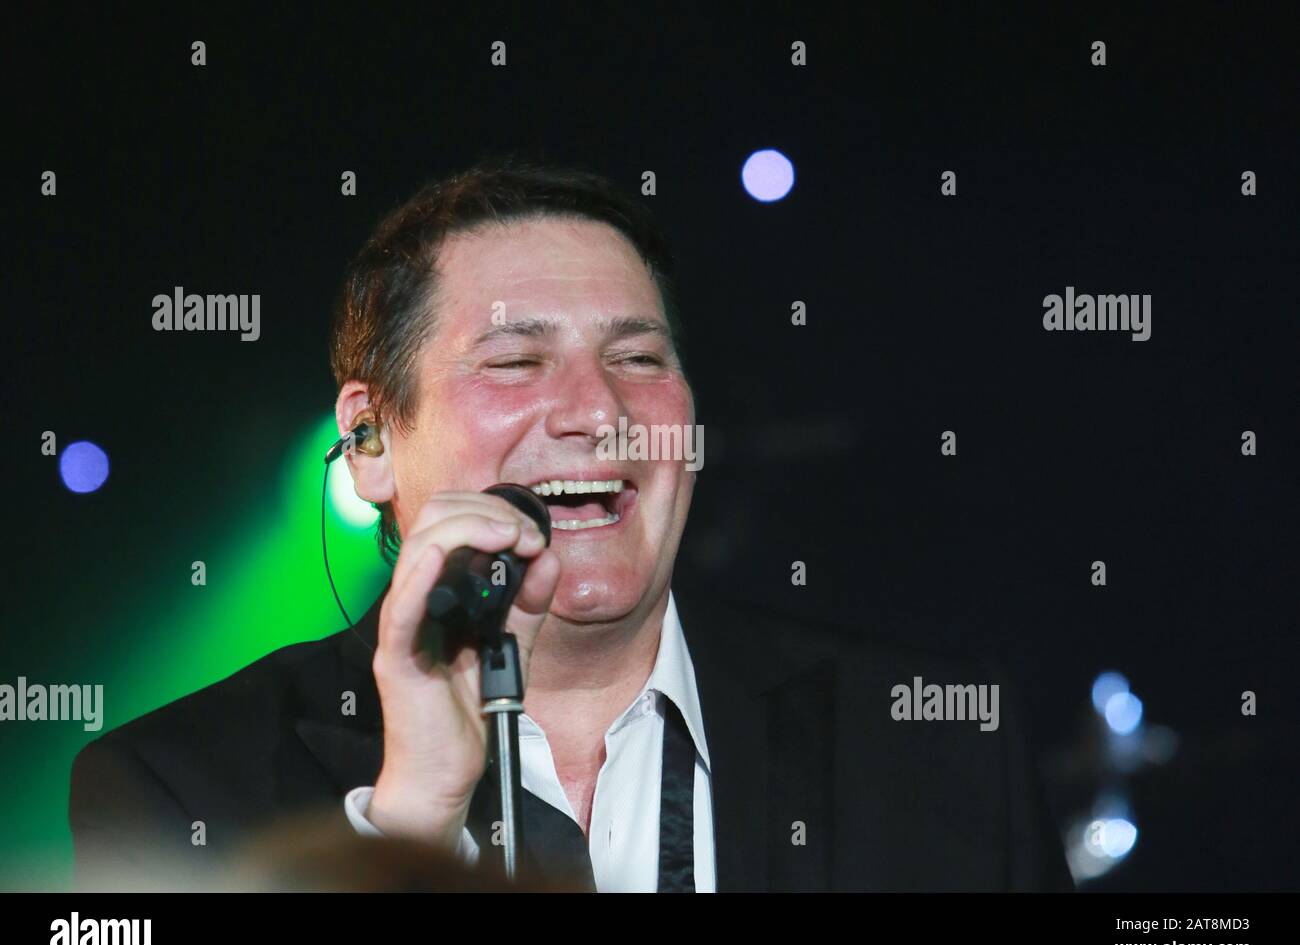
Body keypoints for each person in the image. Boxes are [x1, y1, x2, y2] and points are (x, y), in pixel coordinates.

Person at [70, 159, 1072, 892]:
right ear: (369, 438)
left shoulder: (936, 744)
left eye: (639, 357)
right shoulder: (180, 783)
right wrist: (412, 821)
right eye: (515, 361)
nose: (597, 408)